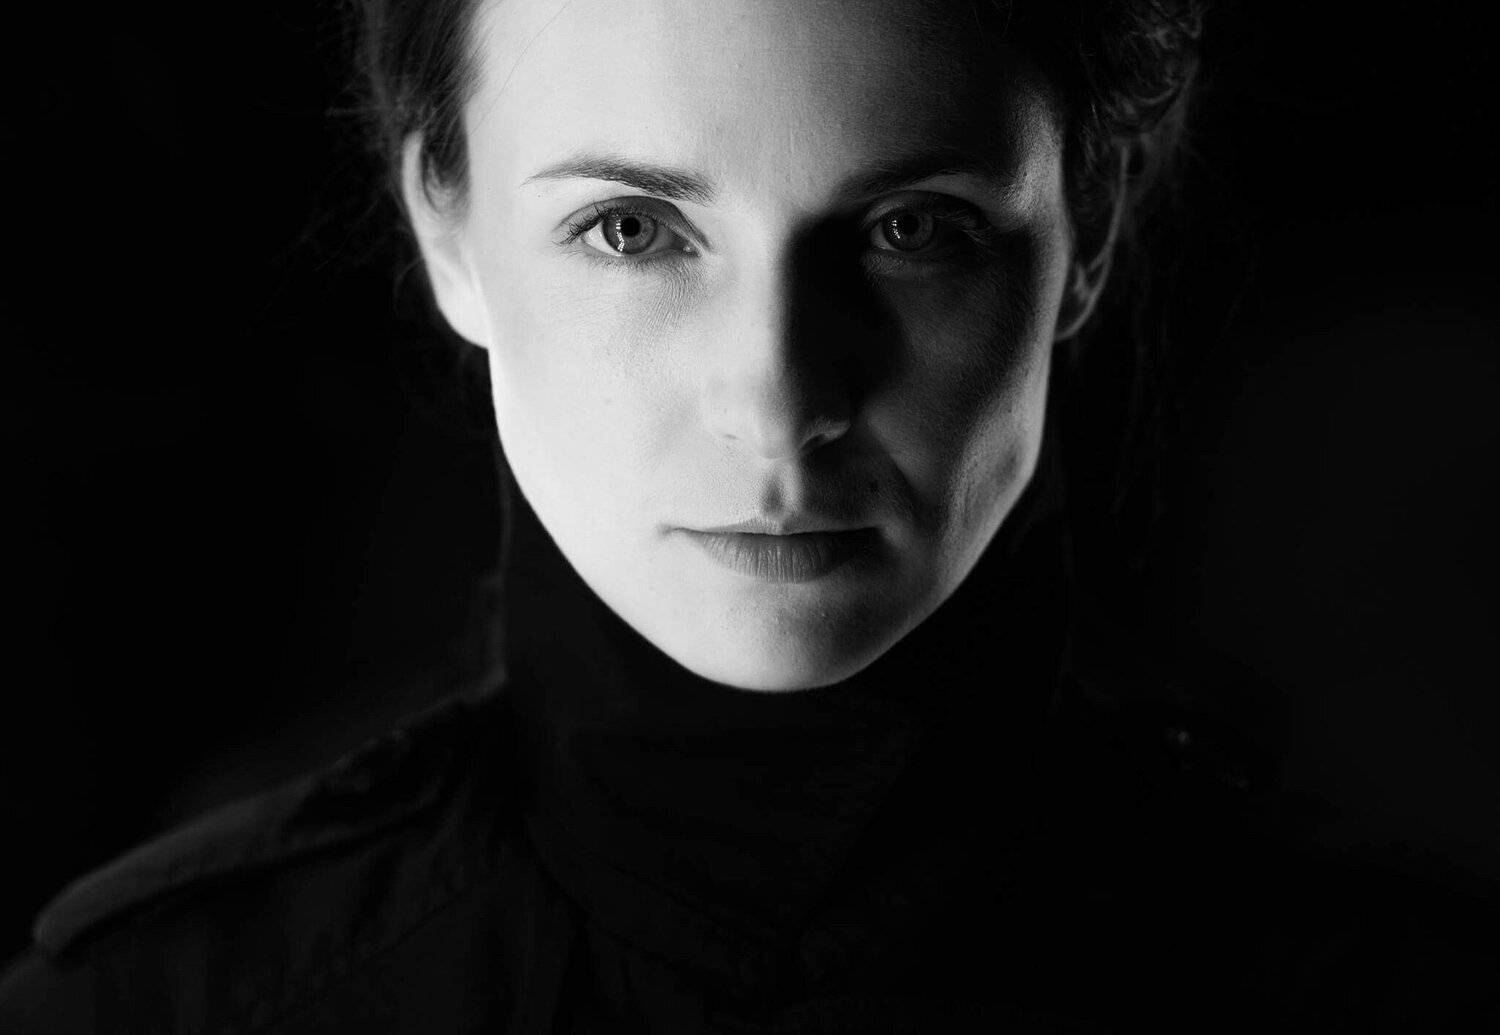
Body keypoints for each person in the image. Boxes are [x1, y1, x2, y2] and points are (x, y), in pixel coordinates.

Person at [2, 0, 1496, 1030]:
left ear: (1088, 229)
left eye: (912, 229)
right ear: (445, 230)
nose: (781, 407)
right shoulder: (148, 1009)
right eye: (630, 229)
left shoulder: (1407, 998)